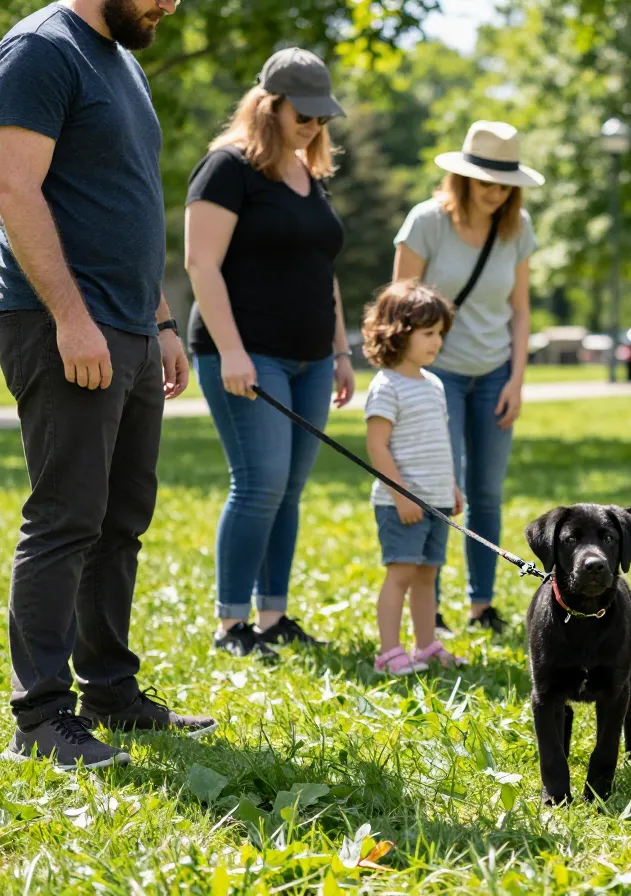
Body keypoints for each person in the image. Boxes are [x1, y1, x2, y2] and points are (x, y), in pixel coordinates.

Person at [0, 0, 217, 771]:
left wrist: (160, 319)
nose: (170, 4)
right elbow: (13, 190)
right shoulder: (39, 50)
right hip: (63, 324)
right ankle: (40, 714)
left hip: (127, 326)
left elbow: (126, 201)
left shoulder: (122, 60)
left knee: (120, 518)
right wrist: (71, 317)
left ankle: (109, 692)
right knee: (66, 518)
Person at [183, 48, 357, 660]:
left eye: (319, 117)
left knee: (289, 490)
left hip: (311, 359)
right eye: (301, 115)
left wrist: (340, 351)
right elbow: (201, 264)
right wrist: (232, 353)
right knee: (259, 486)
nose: (312, 126)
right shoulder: (226, 169)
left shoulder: (309, 177)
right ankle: (231, 625)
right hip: (248, 355)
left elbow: (322, 270)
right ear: (269, 105)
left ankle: (272, 617)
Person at [393, 120, 544, 636]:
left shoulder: (517, 230)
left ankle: (482, 604)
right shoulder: (427, 222)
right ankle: (426, 606)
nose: (496, 193)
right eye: (486, 182)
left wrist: (517, 379)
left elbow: (520, 310)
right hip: (438, 377)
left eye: (505, 185)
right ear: (463, 179)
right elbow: (401, 304)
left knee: (487, 491)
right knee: (437, 486)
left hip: (494, 372)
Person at [362, 279, 466, 674]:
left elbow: (439, 444)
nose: (437, 342)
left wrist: (451, 487)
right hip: (400, 502)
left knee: (427, 575)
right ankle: (390, 653)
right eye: (428, 333)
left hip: (436, 500)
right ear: (398, 332)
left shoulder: (434, 385)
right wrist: (401, 495)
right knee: (401, 574)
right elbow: (377, 447)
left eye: (440, 333)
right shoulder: (386, 386)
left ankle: (426, 646)